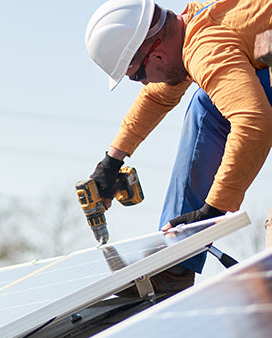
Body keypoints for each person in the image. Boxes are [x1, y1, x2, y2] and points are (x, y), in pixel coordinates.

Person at [84, 0, 272, 291]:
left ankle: (176, 263)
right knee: (206, 104)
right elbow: (158, 97)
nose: (145, 84)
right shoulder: (199, 23)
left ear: (157, 54)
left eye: (137, 76)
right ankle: (176, 261)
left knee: (208, 107)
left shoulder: (204, 48)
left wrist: (213, 210)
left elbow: (253, 123)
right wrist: (112, 161)